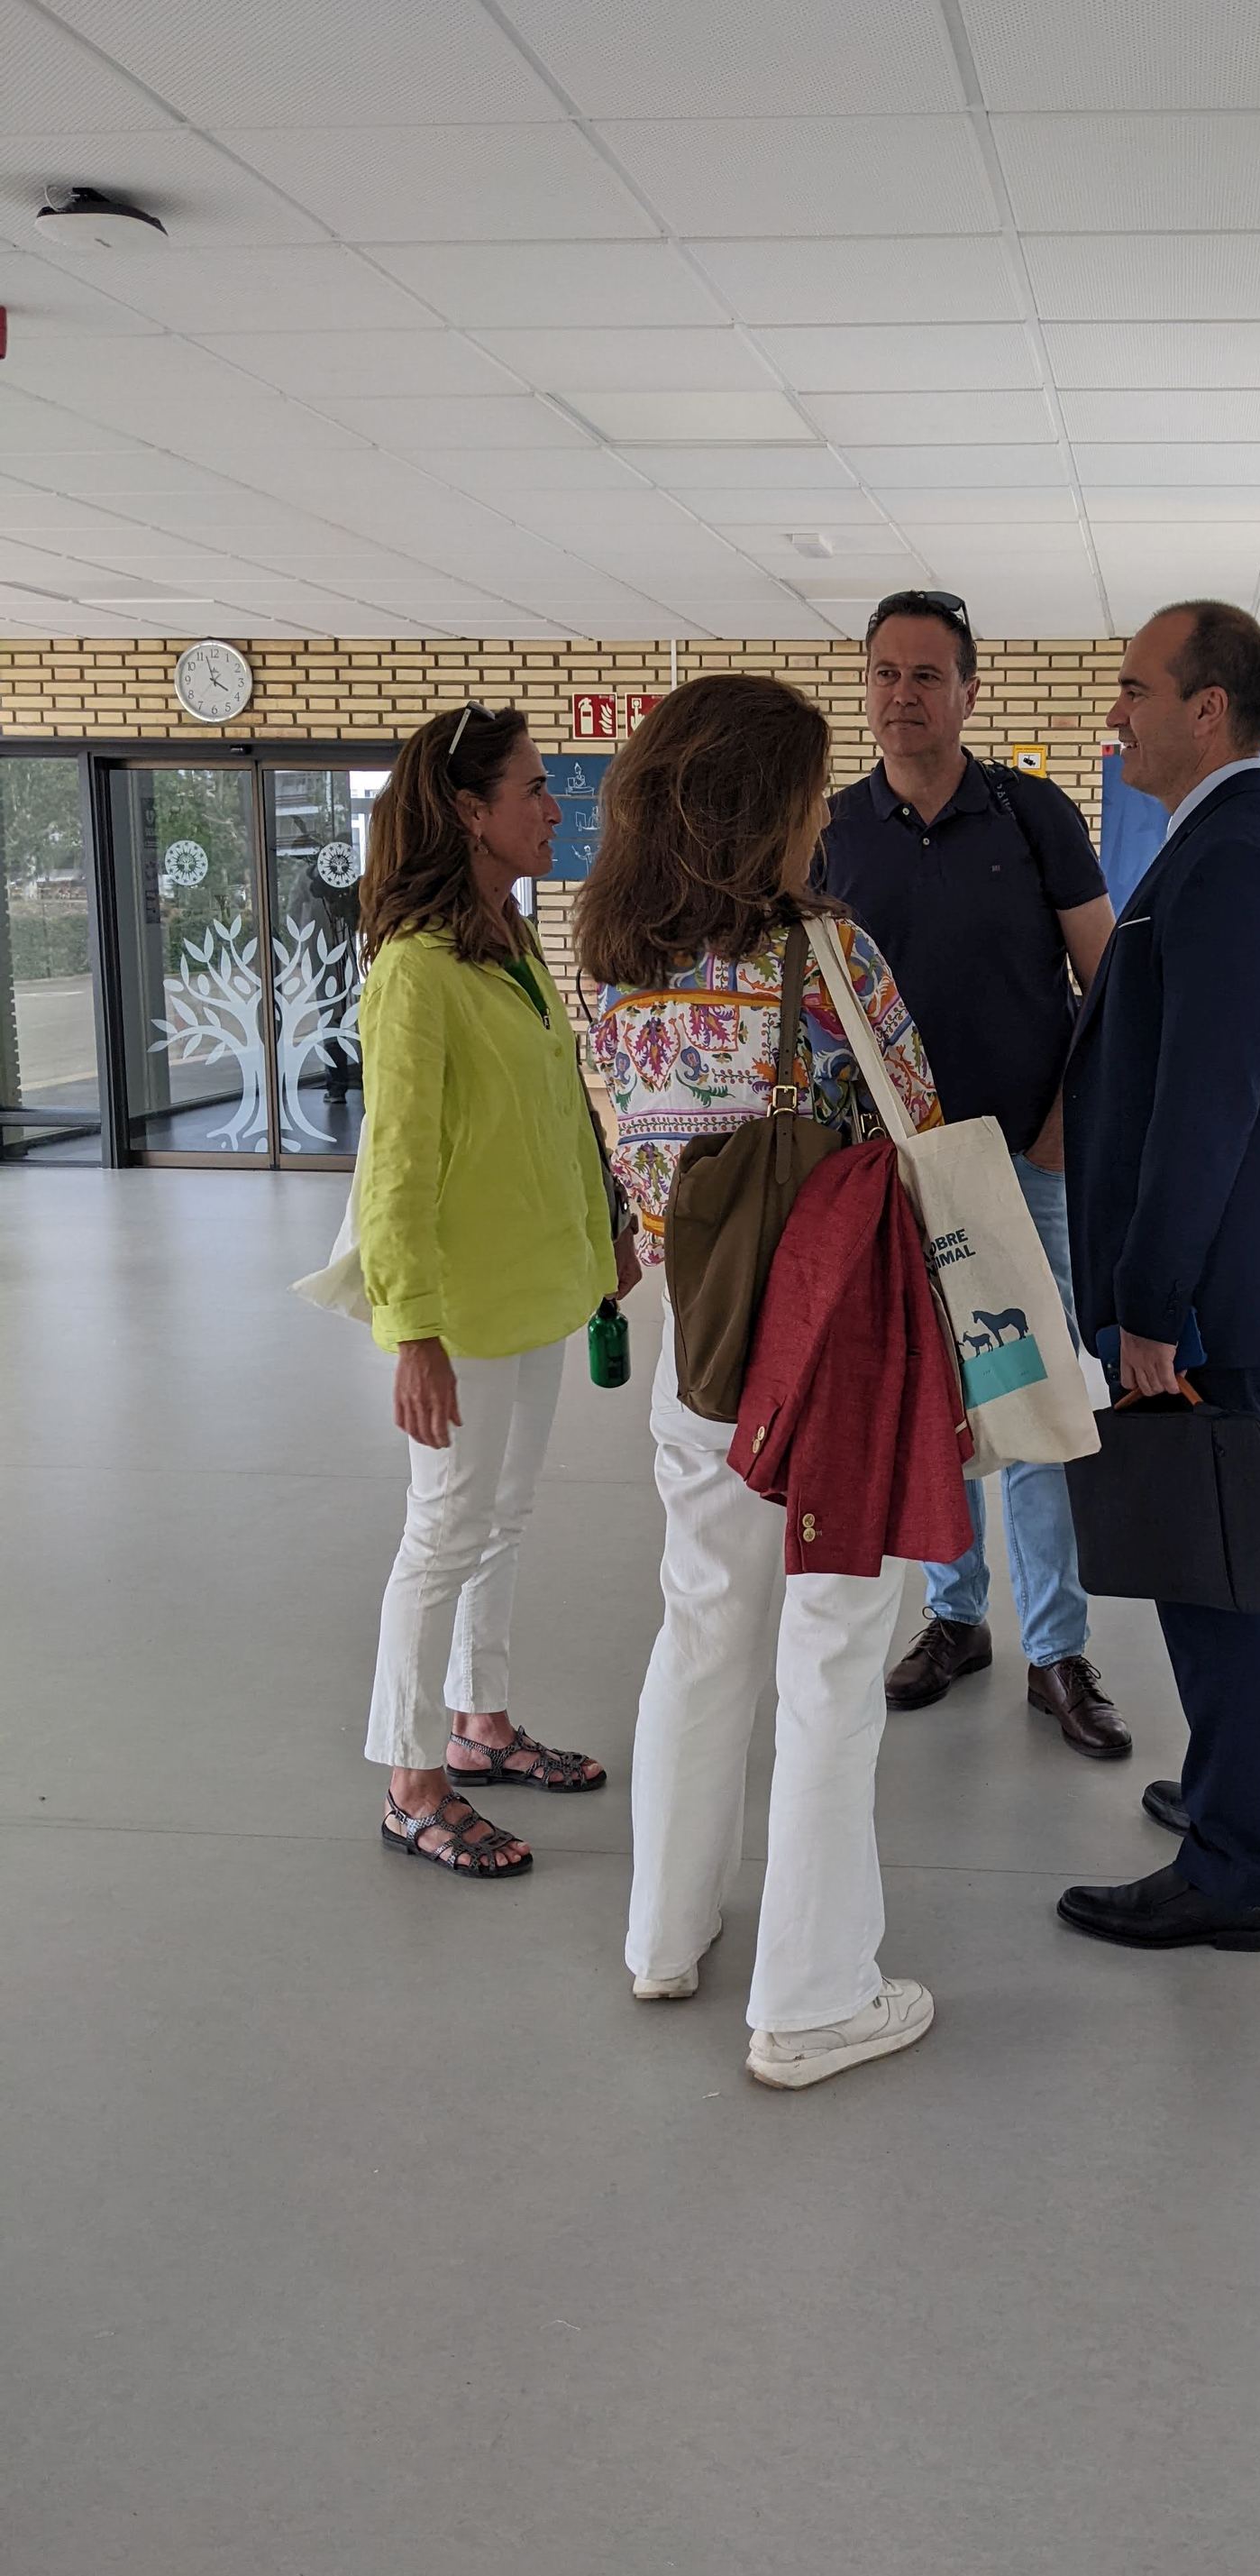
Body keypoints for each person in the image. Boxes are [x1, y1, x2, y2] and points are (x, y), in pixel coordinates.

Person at [580, 673, 944, 2090]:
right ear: (764, 807)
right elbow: (920, 1134)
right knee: (834, 1656)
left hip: (701, 1351)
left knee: (701, 1628)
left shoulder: (612, 969)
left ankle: (664, 1937)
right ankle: (810, 1999)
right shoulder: (832, 959)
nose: (821, 821)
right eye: (807, 794)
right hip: (833, 1356)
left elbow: (636, 1172)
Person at [1056, 603, 1260, 1953]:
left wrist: (1150, 1303)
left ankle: (1232, 1868)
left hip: (1213, 1286)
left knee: (1217, 1561)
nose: (1114, 715)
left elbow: (1207, 1102)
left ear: (1207, 709)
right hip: (1246, 1269)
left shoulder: (1235, 857)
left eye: (1134, 690)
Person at [821, 589, 1130, 1762]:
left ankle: (1058, 1649)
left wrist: (1060, 1133)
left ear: (967, 693)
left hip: (1022, 1165)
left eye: (926, 675)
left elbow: (1108, 985)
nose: (902, 696)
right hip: (894, 1172)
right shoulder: (834, 831)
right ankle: (956, 1619)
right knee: (935, 1400)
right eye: (885, 673)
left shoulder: (1031, 814)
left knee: (1031, 1397)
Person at [358, 701, 634, 1882]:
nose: (554, 805)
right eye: (532, 786)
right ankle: (413, 1783)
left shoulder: (511, 946)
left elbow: (562, 1111)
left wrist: (604, 1234)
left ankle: (481, 1722)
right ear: (470, 812)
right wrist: (411, 1329)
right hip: (462, 1306)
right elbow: (395, 1165)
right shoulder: (415, 970)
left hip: (536, 1286)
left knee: (500, 1520)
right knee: (442, 1533)